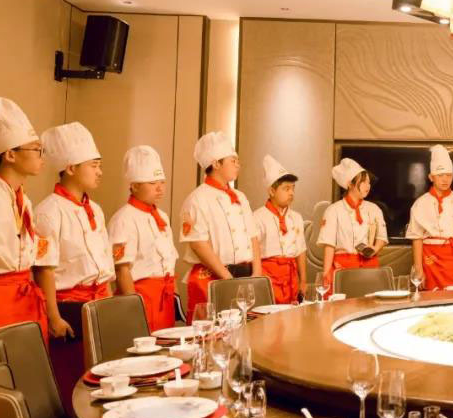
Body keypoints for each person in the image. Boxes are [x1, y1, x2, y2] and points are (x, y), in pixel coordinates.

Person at [34, 122, 119, 405]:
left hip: (99, 302)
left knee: (104, 376)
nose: (100, 172)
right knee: (73, 378)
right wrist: (53, 316)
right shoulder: (48, 211)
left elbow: (103, 262)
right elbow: (44, 269)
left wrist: (109, 303)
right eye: (94, 166)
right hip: (69, 306)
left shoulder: (95, 209)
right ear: (71, 168)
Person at [0, 98, 53, 347]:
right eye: (36, 149)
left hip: (24, 296)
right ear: (10, 154)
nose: (41, 156)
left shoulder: (24, 200)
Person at [179, 131, 261, 320]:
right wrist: (228, 279)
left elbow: (253, 236)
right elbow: (199, 244)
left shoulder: (240, 197)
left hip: (247, 275)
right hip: (215, 277)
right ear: (216, 164)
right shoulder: (196, 199)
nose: (238, 165)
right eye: (233, 161)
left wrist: (257, 274)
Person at [108, 145, 178, 332]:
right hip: (141, 296)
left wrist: (176, 297)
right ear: (135, 185)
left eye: (162, 182)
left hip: (165, 297)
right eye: (152, 183)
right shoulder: (123, 219)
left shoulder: (162, 217)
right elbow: (122, 269)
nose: (160, 188)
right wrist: (134, 309)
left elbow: (170, 263)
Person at [405, 145, 453, 290]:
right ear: (431, 177)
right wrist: (418, 269)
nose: (445, 179)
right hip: (431, 260)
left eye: (449, 175)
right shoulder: (421, 203)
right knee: (432, 299)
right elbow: (417, 238)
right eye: (440, 175)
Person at [318, 158, 388, 291]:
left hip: (369, 267)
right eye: (363, 182)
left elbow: (382, 237)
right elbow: (329, 244)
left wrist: (374, 249)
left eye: (369, 182)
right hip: (343, 267)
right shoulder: (333, 210)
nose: (368, 186)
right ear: (350, 184)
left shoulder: (374, 209)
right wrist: (326, 273)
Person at [253, 155, 307, 304]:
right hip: (268, 276)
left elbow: (301, 250)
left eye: (293, 188)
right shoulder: (257, 217)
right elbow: (254, 252)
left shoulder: (296, 217)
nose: (291, 193)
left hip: (291, 277)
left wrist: (303, 280)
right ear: (272, 191)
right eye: (286, 189)